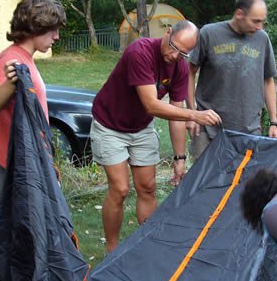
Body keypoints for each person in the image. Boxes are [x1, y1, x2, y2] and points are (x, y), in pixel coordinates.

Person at [91, 20, 221, 252]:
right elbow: (151, 105)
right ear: (168, 32)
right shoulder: (140, 52)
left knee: (148, 187)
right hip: (110, 125)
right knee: (120, 189)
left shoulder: (180, 68)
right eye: (174, 46)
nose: (174, 55)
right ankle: (112, 248)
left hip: (140, 128)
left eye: (183, 53)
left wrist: (180, 158)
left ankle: (146, 247)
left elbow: (176, 113)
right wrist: (195, 115)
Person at [0, 0, 66, 210]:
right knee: (20, 235)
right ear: (36, 27)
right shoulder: (11, 58)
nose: (56, 37)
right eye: (53, 30)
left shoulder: (26, 58)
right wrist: (10, 83)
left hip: (31, 161)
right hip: (15, 167)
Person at [187, 0, 277, 160]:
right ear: (239, 14)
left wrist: (274, 122)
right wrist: (192, 113)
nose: (260, 27)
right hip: (207, 128)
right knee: (205, 182)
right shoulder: (209, 33)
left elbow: (268, 80)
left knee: (243, 182)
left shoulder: (262, 39)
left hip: (248, 129)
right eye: (255, 21)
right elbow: (189, 72)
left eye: (262, 21)